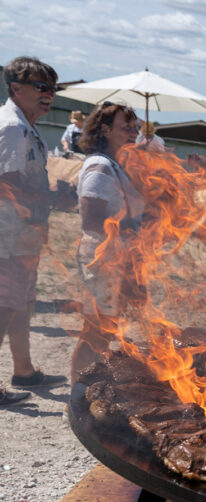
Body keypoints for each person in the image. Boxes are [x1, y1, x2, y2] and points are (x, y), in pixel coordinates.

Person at [0, 56, 68, 406]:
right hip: (8, 233)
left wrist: (53, 196)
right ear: (16, 88)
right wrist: (47, 197)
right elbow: (6, 183)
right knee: (4, 304)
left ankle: (24, 370)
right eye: (42, 86)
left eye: (53, 87)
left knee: (22, 303)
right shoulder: (11, 127)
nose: (50, 94)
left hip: (23, 232)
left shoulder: (27, 127)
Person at [71, 102, 145, 376]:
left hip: (117, 259)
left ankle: (86, 388)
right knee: (95, 332)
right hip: (102, 260)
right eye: (126, 127)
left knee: (105, 331)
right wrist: (129, 229)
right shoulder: (100, 165)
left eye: (135, 127)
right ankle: (75, 394)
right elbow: (92, 219)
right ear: (104, 129)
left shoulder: (116, 165)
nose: (134, 132)